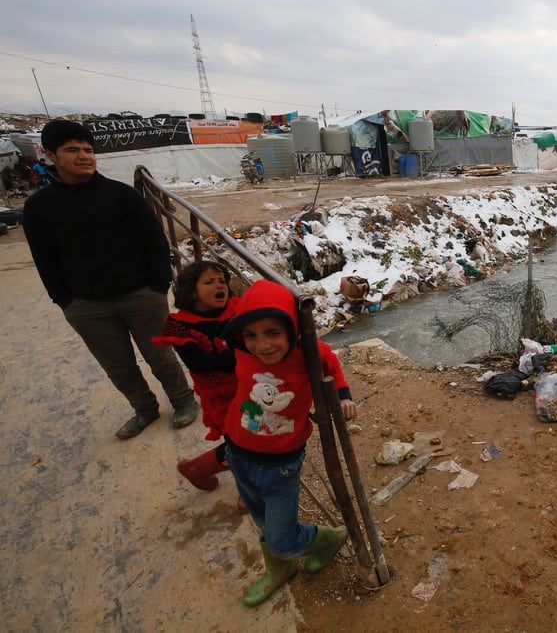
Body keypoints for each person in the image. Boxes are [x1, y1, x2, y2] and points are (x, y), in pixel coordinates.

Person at [22, 120, 199, 439]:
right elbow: (45, 258)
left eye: (88, 150)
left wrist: (157, 287)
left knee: (160, 354)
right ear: (49, 154)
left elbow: (155, 242)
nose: (84, 156)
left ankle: (183, 401)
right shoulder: (39, 208)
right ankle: (144, 409)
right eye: (72, 150)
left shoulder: (122, 196)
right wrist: (64, 300)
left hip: (140, 295)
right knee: (117, 365)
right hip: (86, 305)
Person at [221, 279, 355, 606]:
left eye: (272, 333)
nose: (261, 345)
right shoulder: (241, 351)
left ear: (292, 328)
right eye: (251, 335)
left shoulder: (306, 352)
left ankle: (327, 539)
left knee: (281, 538)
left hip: (280, 464)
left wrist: (343, 395)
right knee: (262, 520)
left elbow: (331, 363)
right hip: (237, 452)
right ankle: (280, 571)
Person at [152, 261, 241, 496]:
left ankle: (198, 468)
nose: (218, 285)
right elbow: (199, 363)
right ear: (192, 290)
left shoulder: (237, 310)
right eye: (209, 282)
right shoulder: (181, 325)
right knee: (243, 443)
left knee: (253, 438)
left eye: (222, 280)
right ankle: (249, 491)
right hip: (221, 396)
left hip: (251, 386)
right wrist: (243, 354)